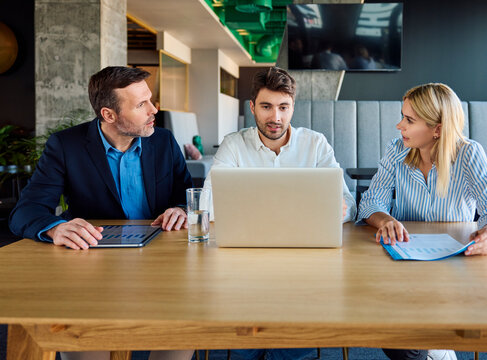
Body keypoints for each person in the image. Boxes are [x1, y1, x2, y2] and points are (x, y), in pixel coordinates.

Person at [9, 66, 194, 360]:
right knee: (81, 348)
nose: (154, 109)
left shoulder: (163, 141)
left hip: (163, 268)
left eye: (150, 99)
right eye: (141, 104)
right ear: (109, 115)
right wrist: (56, 228)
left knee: (181, 338)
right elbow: (26, 211)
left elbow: (188, 196)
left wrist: (181, 209)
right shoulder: (66, 146)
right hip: (91, 272)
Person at [203, 66, 356, 360]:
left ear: (292, 107)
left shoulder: (315, 143)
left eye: (284, 107)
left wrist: (339, 209)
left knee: (292, 347)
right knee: (242, 349)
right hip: (241, 265)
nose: (276, 117)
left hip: (304, 267)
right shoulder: (234, 144)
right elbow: (209, 202)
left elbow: (348, 202)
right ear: (252, 107)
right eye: (266, 106)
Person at [358, 83, 487, 360]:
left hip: (455, 267)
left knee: (406, 341)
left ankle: (436, 349)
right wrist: (386, 220)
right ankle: (437, 350)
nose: (399, 126)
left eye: (409, 120)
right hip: (405, 263)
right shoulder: (397, 150)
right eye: (402, 116)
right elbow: (370, 202)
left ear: (438, 129)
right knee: (393, 333)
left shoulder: (469, 153)